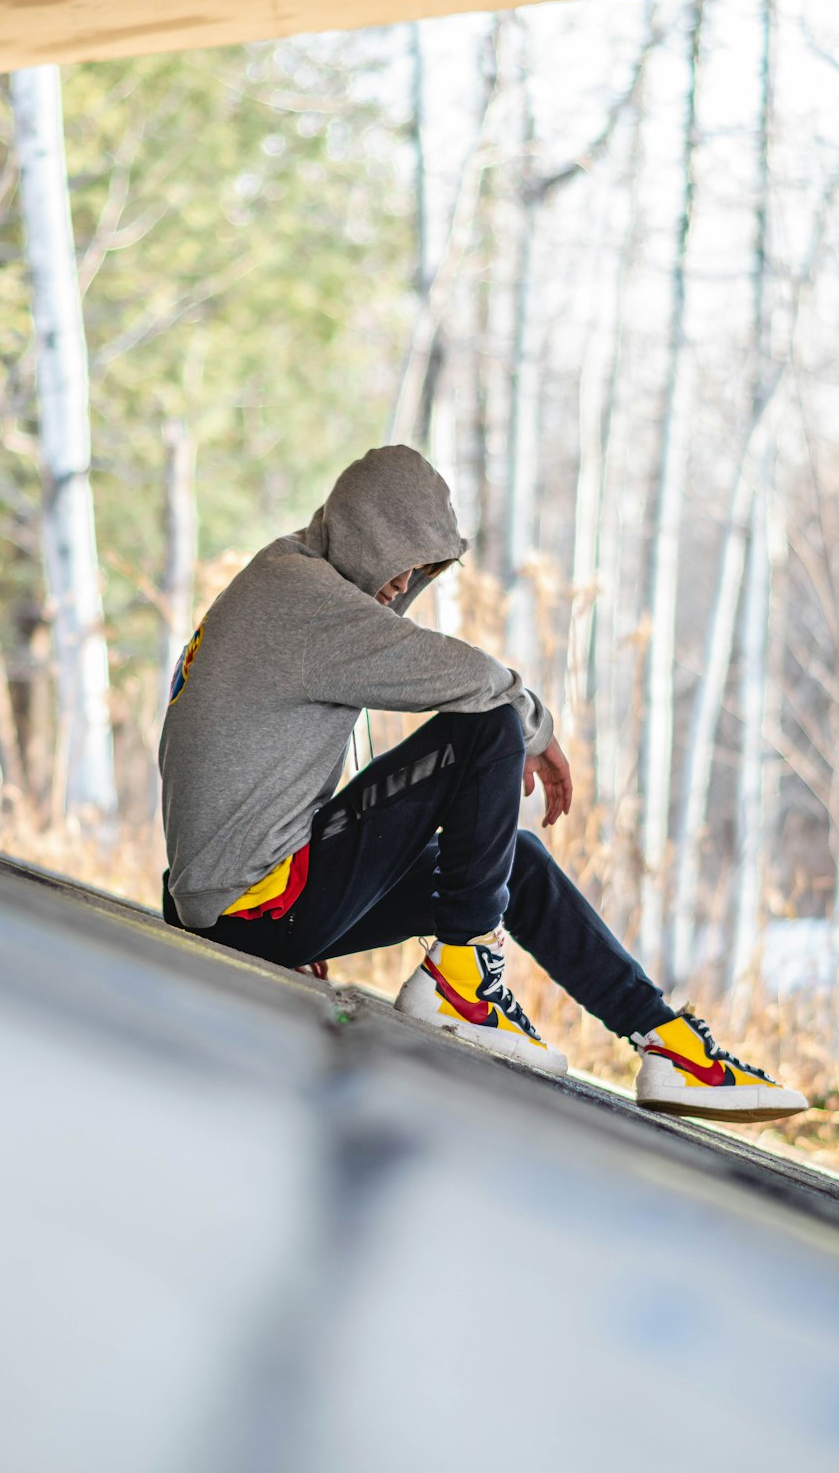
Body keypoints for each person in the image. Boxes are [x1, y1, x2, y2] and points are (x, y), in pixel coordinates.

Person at [159, 445, 806, 1122]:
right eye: (395, 561)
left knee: (515, 863)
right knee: (488, 724)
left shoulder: (283, 580)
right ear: (359, 533)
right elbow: (469, 677)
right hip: (255, 904)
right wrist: (538, 729)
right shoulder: (299, 597)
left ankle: (671, 1048)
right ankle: (460, 981)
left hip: (246, 901)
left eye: (422, 571)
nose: (400, 585)